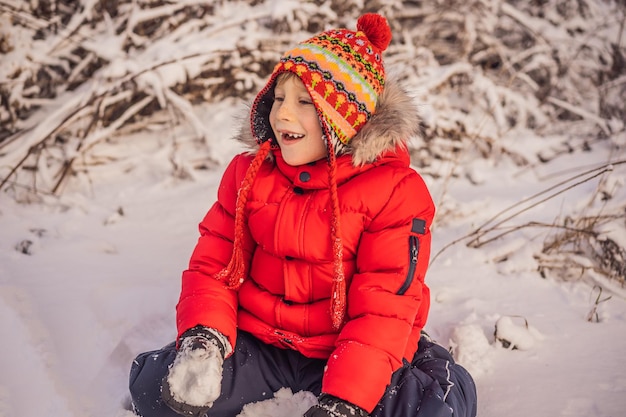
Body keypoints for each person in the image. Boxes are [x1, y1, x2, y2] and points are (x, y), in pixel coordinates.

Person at [129, 13, 477, 417]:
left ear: (345, 119)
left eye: (304, 103)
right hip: (262, 345)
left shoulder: (395, 192)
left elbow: (381, 307)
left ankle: (429, 366)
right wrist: (205, 336)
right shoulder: (249, 173)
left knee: (428, 410)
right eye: (278, 98)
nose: (282, 115)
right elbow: (215, 265)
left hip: (347, 346)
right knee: (160, 392)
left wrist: (346, 402)